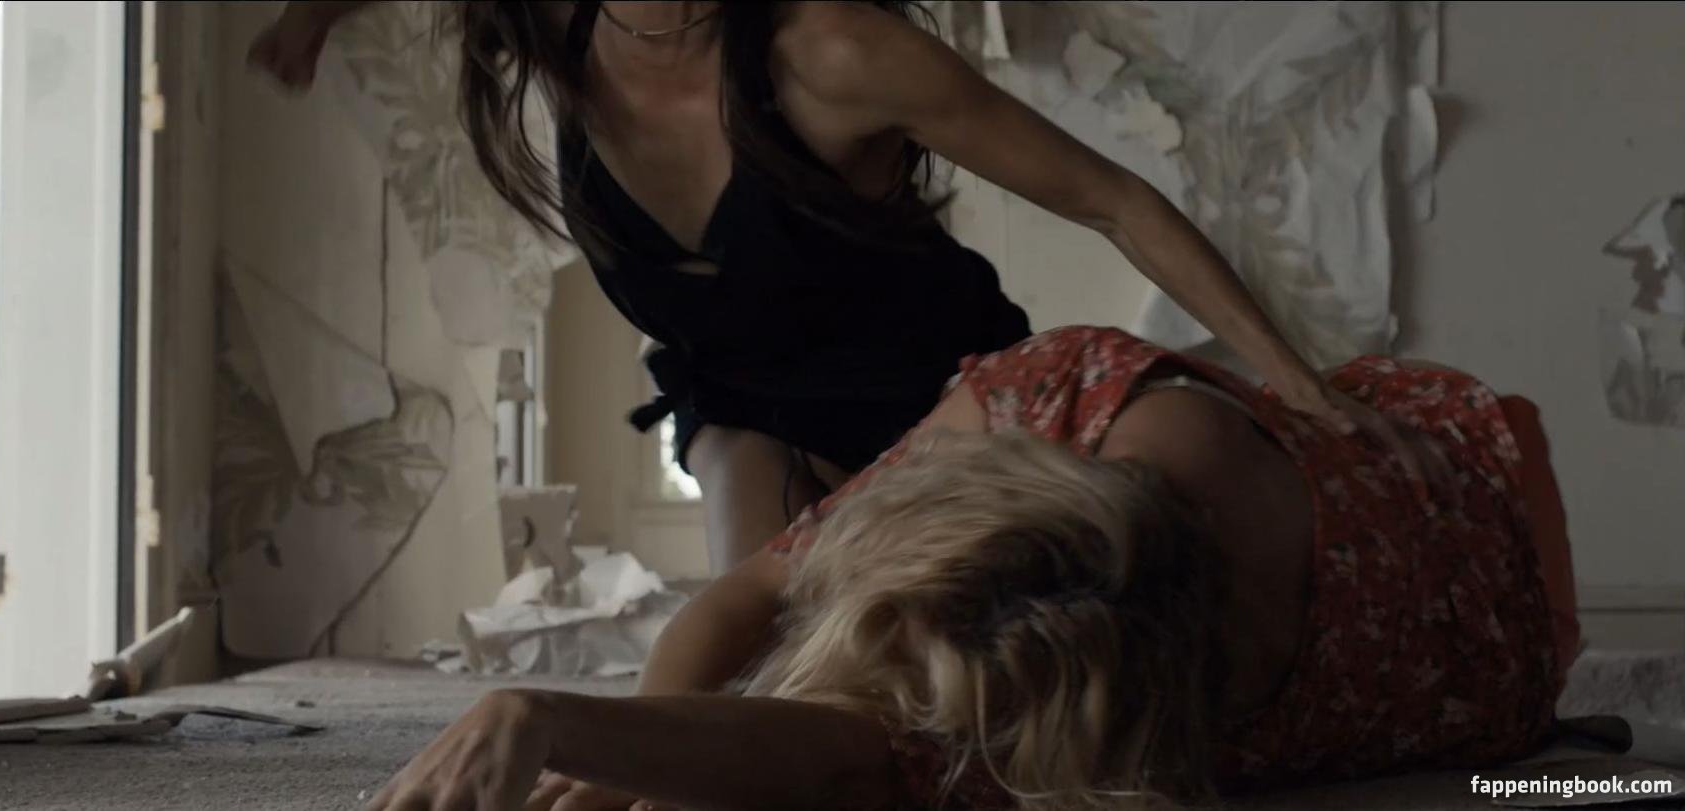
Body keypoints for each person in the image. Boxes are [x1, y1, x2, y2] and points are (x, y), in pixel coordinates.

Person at [249, 2, 1434, 574]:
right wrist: (306, 23)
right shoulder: (559, 21)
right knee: (759, 660)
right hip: (750, 409)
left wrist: (1298, 384)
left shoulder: (835, 55)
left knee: (1023, 672)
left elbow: (1113, 200)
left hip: (942, 402)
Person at [364, 326, 1580, 811]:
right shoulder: (1053, 393)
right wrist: (596, 735)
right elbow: (757, 590)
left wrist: (600, 738)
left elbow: (846, 756)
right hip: (1436, 443)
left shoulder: (1105, 708)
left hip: (1499, 586)